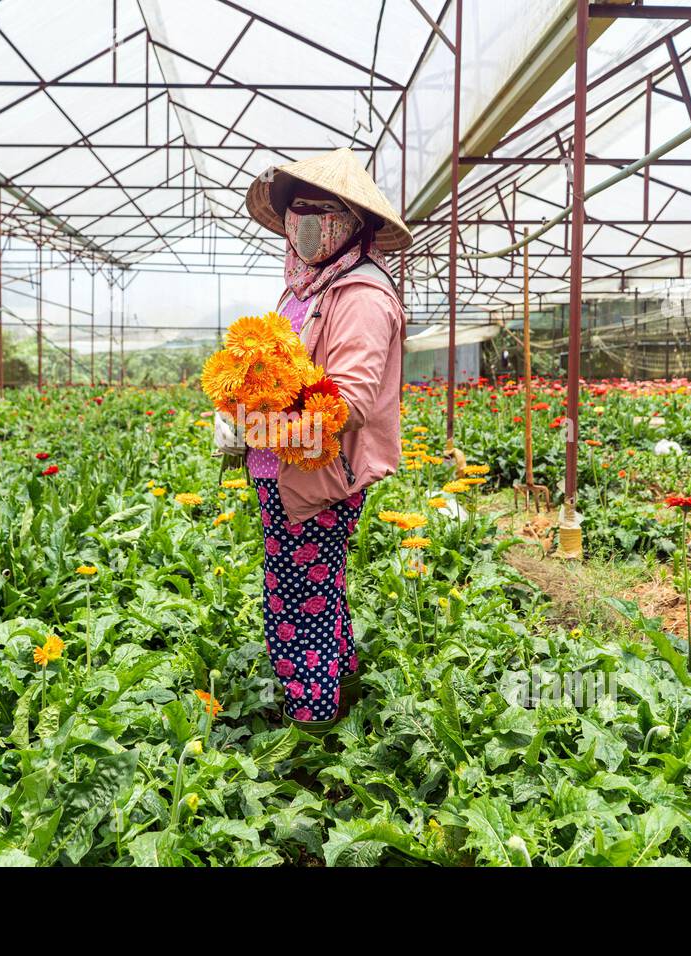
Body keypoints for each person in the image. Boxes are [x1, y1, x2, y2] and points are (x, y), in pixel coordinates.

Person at [217, 147, 412, 732]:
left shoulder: (362, 297)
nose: (302, 223)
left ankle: (314, 726)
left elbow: (347, 405)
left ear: (353, 224)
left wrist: (252, 427)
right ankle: (336, 688)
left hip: (319, 481)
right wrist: (239, 403)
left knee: (303, 605)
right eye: (296, 211)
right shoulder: (306, 290)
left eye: (319, 212)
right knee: (308, 590)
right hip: (284, 472)